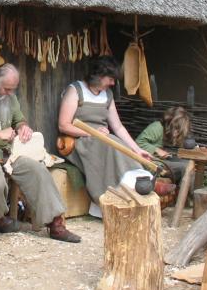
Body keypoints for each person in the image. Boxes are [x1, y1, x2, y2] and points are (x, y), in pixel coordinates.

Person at [0, 63, 81, 243]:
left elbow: (20, 120)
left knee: (37, 170)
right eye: (6, 89)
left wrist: (24, 128)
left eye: (13, 89)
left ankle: (56, 225)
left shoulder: (10, 99)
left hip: (6, 153)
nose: (9, 93)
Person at [57, 56, 153, 215]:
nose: (113, 83)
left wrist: (136, 150)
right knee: (110, 147)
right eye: (111, 79)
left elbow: (118, 127)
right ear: (99, 75)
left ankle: (132, 192)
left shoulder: (107, 95)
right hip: (79, 140)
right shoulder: (76, 90)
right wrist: (91, 132)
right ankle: (108, 201)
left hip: (103, 139)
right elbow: (64, 125)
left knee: (119, 147)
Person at [135, 106, 192, 182]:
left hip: (159, 160)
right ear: (170, 123)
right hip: (151, 163)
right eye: (177, 128)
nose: (177, 133)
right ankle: (187, 193)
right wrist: (156, 150)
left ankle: (186, 190)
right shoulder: (157, 127)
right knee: (185, 167)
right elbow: (138, 143)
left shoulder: (165, 132)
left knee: (189, 163)